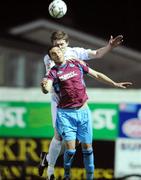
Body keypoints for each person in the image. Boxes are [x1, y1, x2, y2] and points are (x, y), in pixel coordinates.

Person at [38, 30, 123, 179]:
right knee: (58, 136)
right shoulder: (50, 58)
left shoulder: (75, 53)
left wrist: (109, 47)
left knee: (75, 143)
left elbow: (97, 54)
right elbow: (51, 80)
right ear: (52, 45)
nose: (59, 48)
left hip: (79, 103)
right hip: (60, 102)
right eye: (56, 45)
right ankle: (50, 169)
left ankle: (47, 158)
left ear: (67, 44)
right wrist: (45, 87)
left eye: (62, 45)